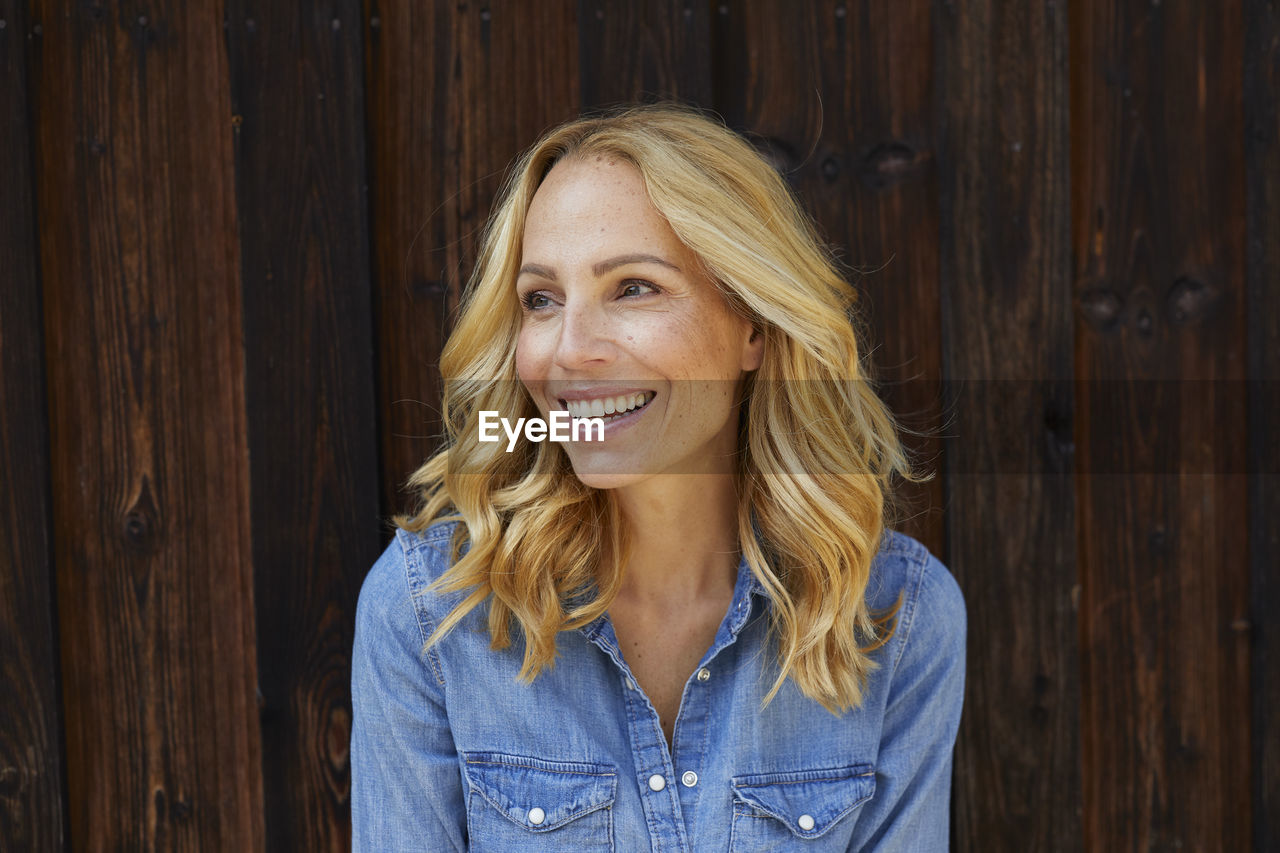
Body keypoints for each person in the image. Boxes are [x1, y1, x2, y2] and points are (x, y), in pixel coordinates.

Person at [351, 104, 965, 852]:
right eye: (541, 299)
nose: (570, 351)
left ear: (754, 326)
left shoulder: (898, 619)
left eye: (632, 288)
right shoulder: (430, 614)